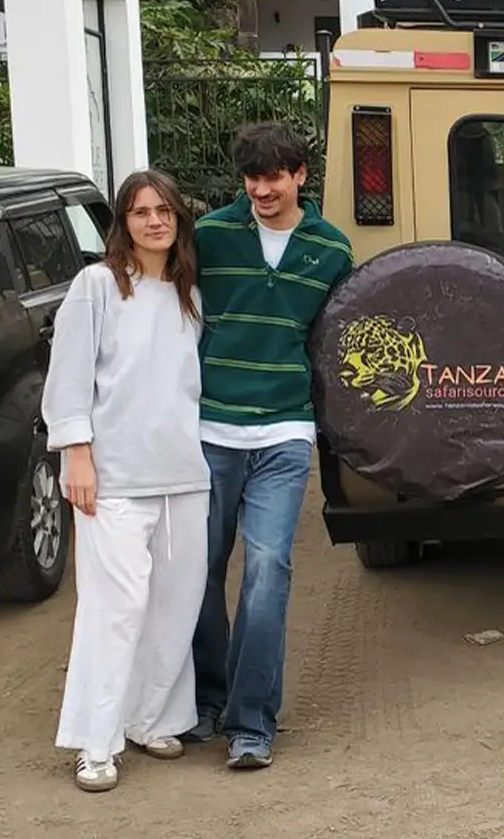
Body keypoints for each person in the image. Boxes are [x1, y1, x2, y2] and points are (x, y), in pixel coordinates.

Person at [186, 122, 354, 768]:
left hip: (284, 431)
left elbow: (341, 340)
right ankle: (207, 699)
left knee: (266, 574)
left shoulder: (331, 249)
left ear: (300, 177)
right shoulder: (209, 238)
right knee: (198, 572)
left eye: (273, 177)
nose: (261, 189)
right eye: (252, 178)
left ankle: (252, 723)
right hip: (209, 430)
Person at [42, 169, 211, 792]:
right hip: (114, 478)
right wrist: (75, 454)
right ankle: (96, 740)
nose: (155, 221)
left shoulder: (189, 292)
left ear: (178, 219)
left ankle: (153, 717)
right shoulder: (97, 285)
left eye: (164, 210)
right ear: (124, 222)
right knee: (113, 611)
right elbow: (68, 378)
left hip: (184, 476)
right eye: (141, 212)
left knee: (176, 603)